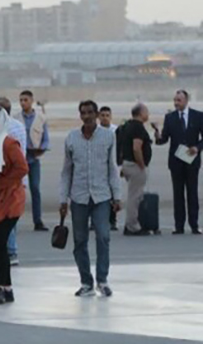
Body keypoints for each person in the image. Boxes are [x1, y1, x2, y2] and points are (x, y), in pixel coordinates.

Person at [60, 100, 122, 298]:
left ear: (96, 114)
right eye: (83, 113)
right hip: (78, 197)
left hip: (101, 196)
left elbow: (112, 168)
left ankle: (102, 280)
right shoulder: (71, 138)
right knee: (80, 241)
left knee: (103, 237)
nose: (86, 116)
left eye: (89, 112)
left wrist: (117, 196)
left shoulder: (108, 137)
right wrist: (63, 199)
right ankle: (86, 282)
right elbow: (66, 172)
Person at [0, 106, 28, 305]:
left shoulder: (8, 144)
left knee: (0, 244)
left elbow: (22, 167)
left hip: (9, 200)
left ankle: (6, 288)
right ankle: (1, 286)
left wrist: (0, 184)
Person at [153, 90, 203, 234]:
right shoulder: (170, 117)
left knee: (192, 193)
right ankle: (179, 226)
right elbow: (164, 140)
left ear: (186, 100)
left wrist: (197, 148)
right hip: (176, 161)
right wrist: (158, 135)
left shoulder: (198, 116)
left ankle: (194, 224)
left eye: (179, 100)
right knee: (178, 193)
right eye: (175, 100)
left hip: (192, 159)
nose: (176, 103)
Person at [0, 96, 27, 265]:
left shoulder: (1, 130)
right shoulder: (20, 127)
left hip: (5, 177)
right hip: (19, 178)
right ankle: (11, 250)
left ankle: (9, 250)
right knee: (12, 214)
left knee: (4, 215)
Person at [19, 90, 50, 232]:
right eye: (21, 100)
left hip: (33, 159)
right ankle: (14, 219)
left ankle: (37, 220)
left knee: (35, 189)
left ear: (31, 100)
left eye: (25, 100)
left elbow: (45, 139)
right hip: (19, 160)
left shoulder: (41, 118)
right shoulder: (16, 118)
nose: (23, 103)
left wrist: (41, 149)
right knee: (18, 191)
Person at [121, 103, 153, 236]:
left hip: (127, 163)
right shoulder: (138, 128)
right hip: (135, 165)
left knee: (134, 195)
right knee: (135, 197)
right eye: (146, 112)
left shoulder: (127, 125)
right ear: (141, 113)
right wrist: (141, 164)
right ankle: (132, 226)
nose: (148, 114)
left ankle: (131, 223)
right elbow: (136, 147)